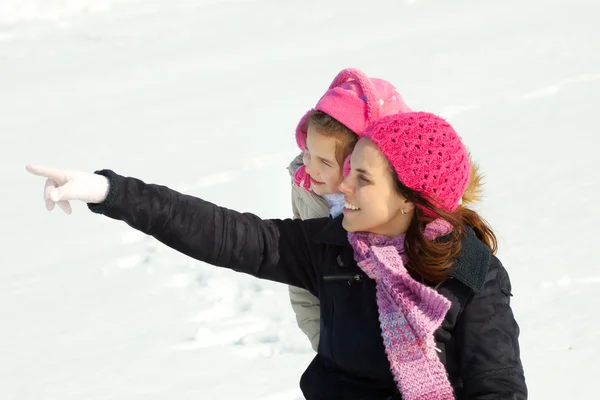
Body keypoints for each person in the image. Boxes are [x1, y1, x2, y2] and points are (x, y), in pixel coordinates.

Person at [26, 111, 527, 399]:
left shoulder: (470, 273)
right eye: (349, 168)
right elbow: (220, 231)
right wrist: (110, 192)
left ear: (411, 200)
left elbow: (497, 385)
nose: (340, 185)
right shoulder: (331, 248)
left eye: (363, 178)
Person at [287, 67, 411, 351]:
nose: (309, 166)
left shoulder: (392, 206)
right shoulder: (305, 188)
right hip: (341, 351)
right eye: (307, 151)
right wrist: (326, 346)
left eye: (325, 162)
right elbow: (301, 279)